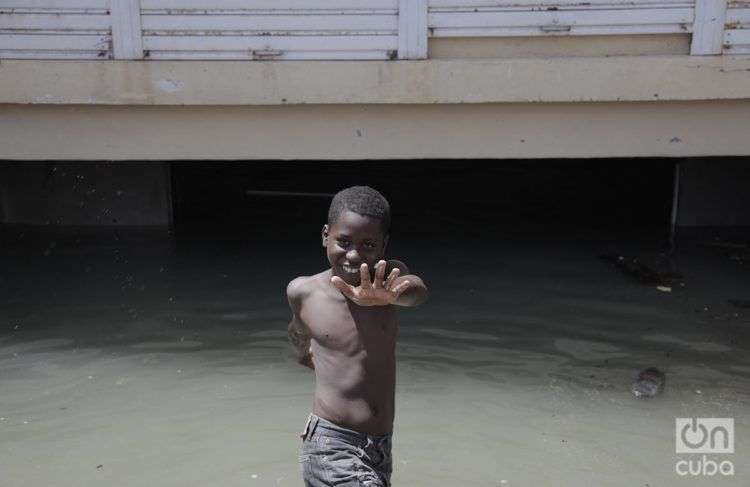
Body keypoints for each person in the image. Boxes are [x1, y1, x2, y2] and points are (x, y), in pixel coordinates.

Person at [287, 186, 428, 486]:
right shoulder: (304, 292)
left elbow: (417, 292)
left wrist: (387, 296)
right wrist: (304, 354)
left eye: (368, 244)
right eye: (343, 241)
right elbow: (298, 330)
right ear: (326, 235)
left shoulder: (388, 277)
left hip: (379, 447)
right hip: (331, 444)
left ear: (383, 245)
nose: (354, 254)